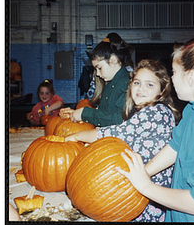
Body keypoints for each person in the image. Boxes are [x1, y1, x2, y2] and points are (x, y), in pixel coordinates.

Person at [65, 59, 180, 222]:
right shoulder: (153, 111)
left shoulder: (155, 112)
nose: (141, 89)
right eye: (137, 83)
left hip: (148, 202)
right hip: (144, 192)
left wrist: (76, 136)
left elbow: (112, 134)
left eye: (149, 85)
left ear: (161, 91)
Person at [116, 38, 194, 222]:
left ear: (191, 77)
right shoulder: (192, 109)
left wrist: (145, 186)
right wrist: (142, 173)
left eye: (174, 72)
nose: (172, 78)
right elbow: (174, 147)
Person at [63, 33, 134, 127]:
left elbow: (119, 119)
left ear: (113, 60)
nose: (97, 74)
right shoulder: (109, 85)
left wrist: (84, 114)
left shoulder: (127, 83)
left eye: (99, 68)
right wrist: (76, 113)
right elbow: (103, 114)